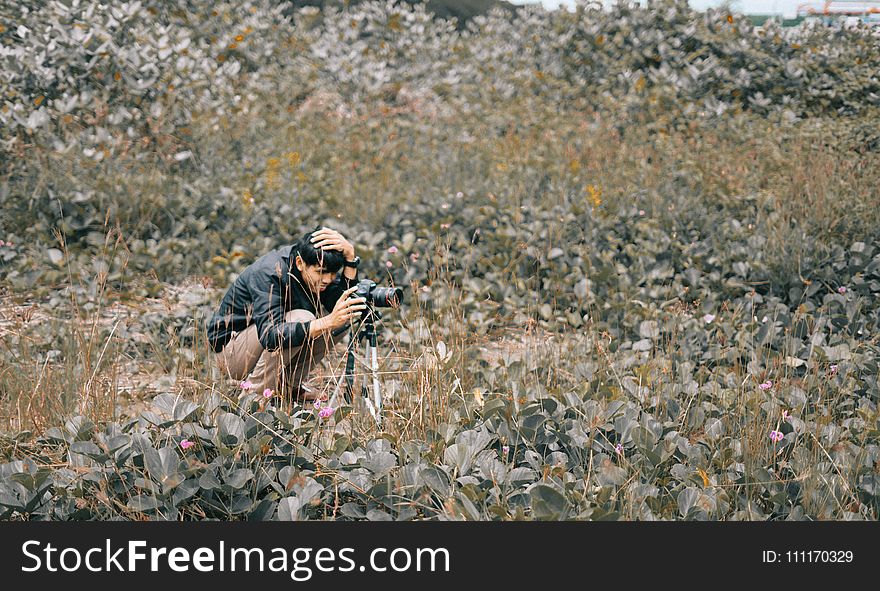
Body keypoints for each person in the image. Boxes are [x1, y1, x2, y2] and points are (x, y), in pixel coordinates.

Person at [206, 226, 367, 402]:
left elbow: (341, 303)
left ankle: (287, 386)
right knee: (302, 319)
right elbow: (271, 335)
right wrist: (327, 322)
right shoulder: (269, 272)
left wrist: (350, 259)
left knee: (344, 316)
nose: (327, 279)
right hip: (232, 354)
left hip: (260, 344)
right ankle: (253, 398)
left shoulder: (314, 269)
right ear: (299, 263)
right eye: (321, 272)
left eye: (332, 273)